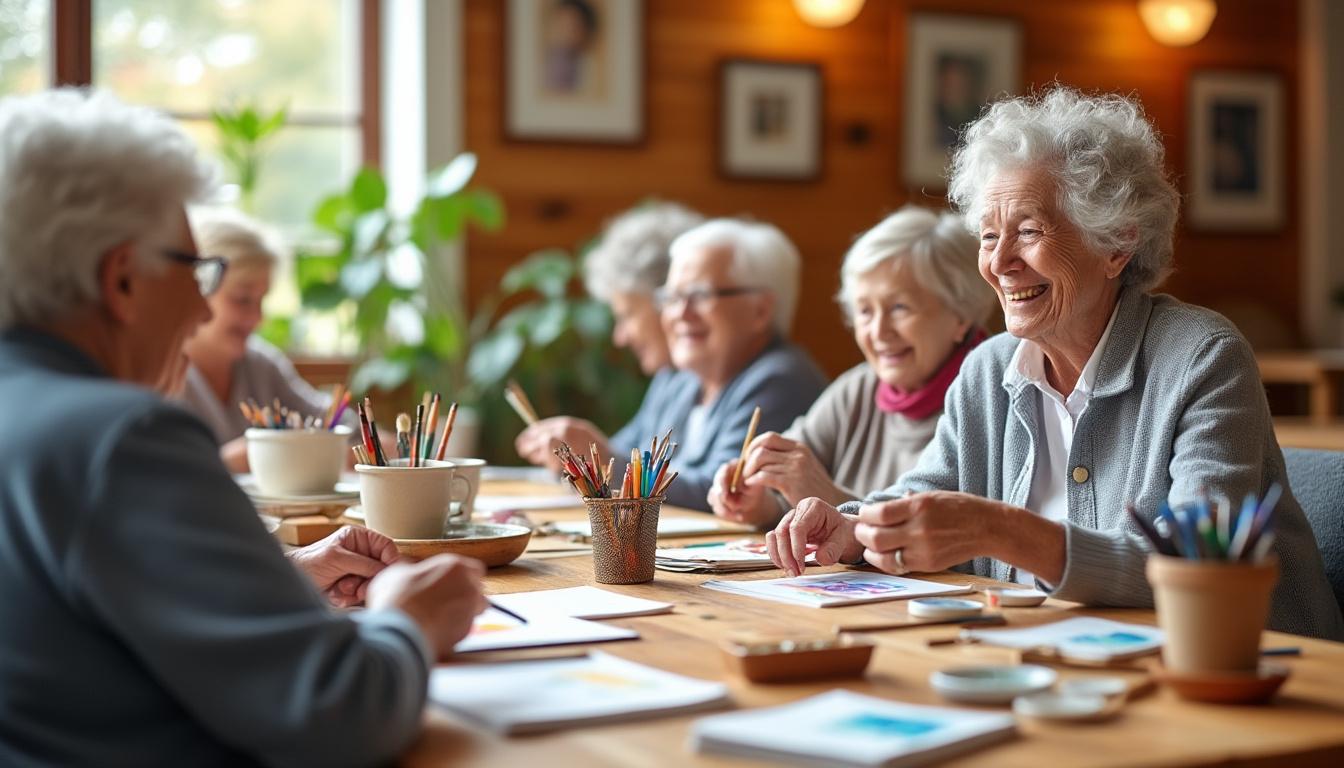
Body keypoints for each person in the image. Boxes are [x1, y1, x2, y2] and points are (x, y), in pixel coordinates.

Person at [0, 88, 488, 766]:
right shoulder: (122, 438)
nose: (201, 312)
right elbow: (338, 712)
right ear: (121, 281)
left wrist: (275, 576)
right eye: (195, 271)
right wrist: (410, 620)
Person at [767, 87, 1343, 640]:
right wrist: (850, 525)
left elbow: (1197, 563)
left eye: (1027, 232)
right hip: (1055, 665)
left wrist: (1002, 530)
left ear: (1116, 243)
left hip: (1247, 676)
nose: (998, 263)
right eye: (989, 236)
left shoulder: (1201, 358)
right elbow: (926, 494)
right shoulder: (988, 371)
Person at [708, 207, 995, 529]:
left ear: (961, 315)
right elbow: (781, 494)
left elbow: (935, 538)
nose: (879, 331)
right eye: (864, 311)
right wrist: (758, 501)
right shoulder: (858, 388)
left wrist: (825, 495)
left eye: (899, 307)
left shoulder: (986, 399)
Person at [518, 218, 827, 511]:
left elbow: (724, 494)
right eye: (672, 297)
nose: (680, 312)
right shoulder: (678, 379)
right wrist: (584, 456)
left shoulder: (781, 379)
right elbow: (627, 453)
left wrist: (603, 462)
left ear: (760, 311)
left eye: (698, 295)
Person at [516, 202, 702, 473]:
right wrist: (579, 456)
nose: (620, 338)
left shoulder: (721, 376)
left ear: (667, 297)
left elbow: (709, 490)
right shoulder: (671, 378)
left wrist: (600, 459)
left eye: (626, 315)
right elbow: (621, 452)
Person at [178, 209, 355, 472]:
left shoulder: (261, 366)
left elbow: (340, 425)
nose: (257, 318)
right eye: (242, 299)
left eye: (262, 300)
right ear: (197, 287)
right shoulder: (160, 376)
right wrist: (226, 464)